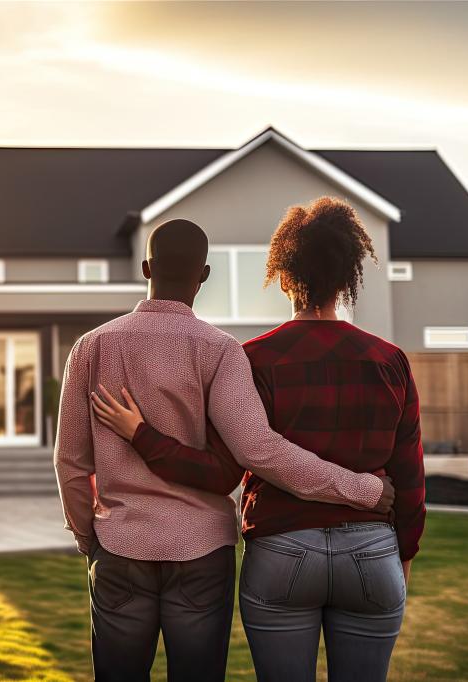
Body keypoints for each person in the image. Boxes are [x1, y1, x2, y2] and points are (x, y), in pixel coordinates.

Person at [92, 197, 426, 682]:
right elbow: (410, 476)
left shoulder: (253, 358)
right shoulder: (390, 360)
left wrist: (142, 436)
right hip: (372, 553)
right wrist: (402, 555)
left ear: (285, 274)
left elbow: (230, 463)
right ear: (349, 274)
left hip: (282, 550)